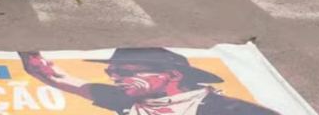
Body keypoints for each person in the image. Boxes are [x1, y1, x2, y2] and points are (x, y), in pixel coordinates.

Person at [20, 49, 281, 115]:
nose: (115, 77)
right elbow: (54, 76)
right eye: (112, 72)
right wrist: (27, 51)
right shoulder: (122, 98)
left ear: (173, 75)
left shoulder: (230, 110)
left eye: (126, 71)